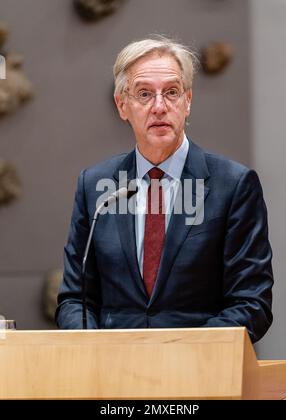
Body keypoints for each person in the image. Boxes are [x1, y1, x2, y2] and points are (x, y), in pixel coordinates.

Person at [56, 37, 273, 343]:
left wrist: (178, 355)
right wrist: (97, 352)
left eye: (171, 92)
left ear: (188, 101)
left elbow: (252, 303)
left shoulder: (234, 185)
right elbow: (75, 299)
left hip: (201, 377)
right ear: (122, 105)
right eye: (144, 94)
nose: (159, 106)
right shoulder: (95, 187)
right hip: (114, 378)